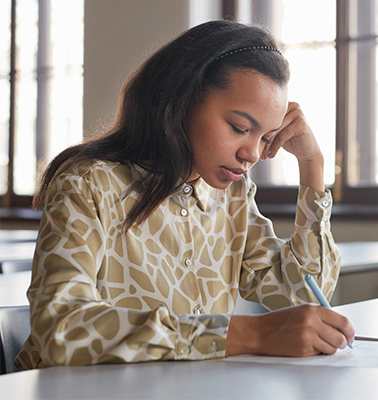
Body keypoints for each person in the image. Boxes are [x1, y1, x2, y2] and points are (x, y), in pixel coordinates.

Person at [15, 21, 354, 370]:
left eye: (267, 138)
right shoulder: (88, 183)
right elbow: (60, 329)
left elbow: (298, 296)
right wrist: (245, 335)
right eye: (239, 128)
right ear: (182, 100)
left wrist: (312, 166)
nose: (252, 153)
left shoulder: (232, 195)